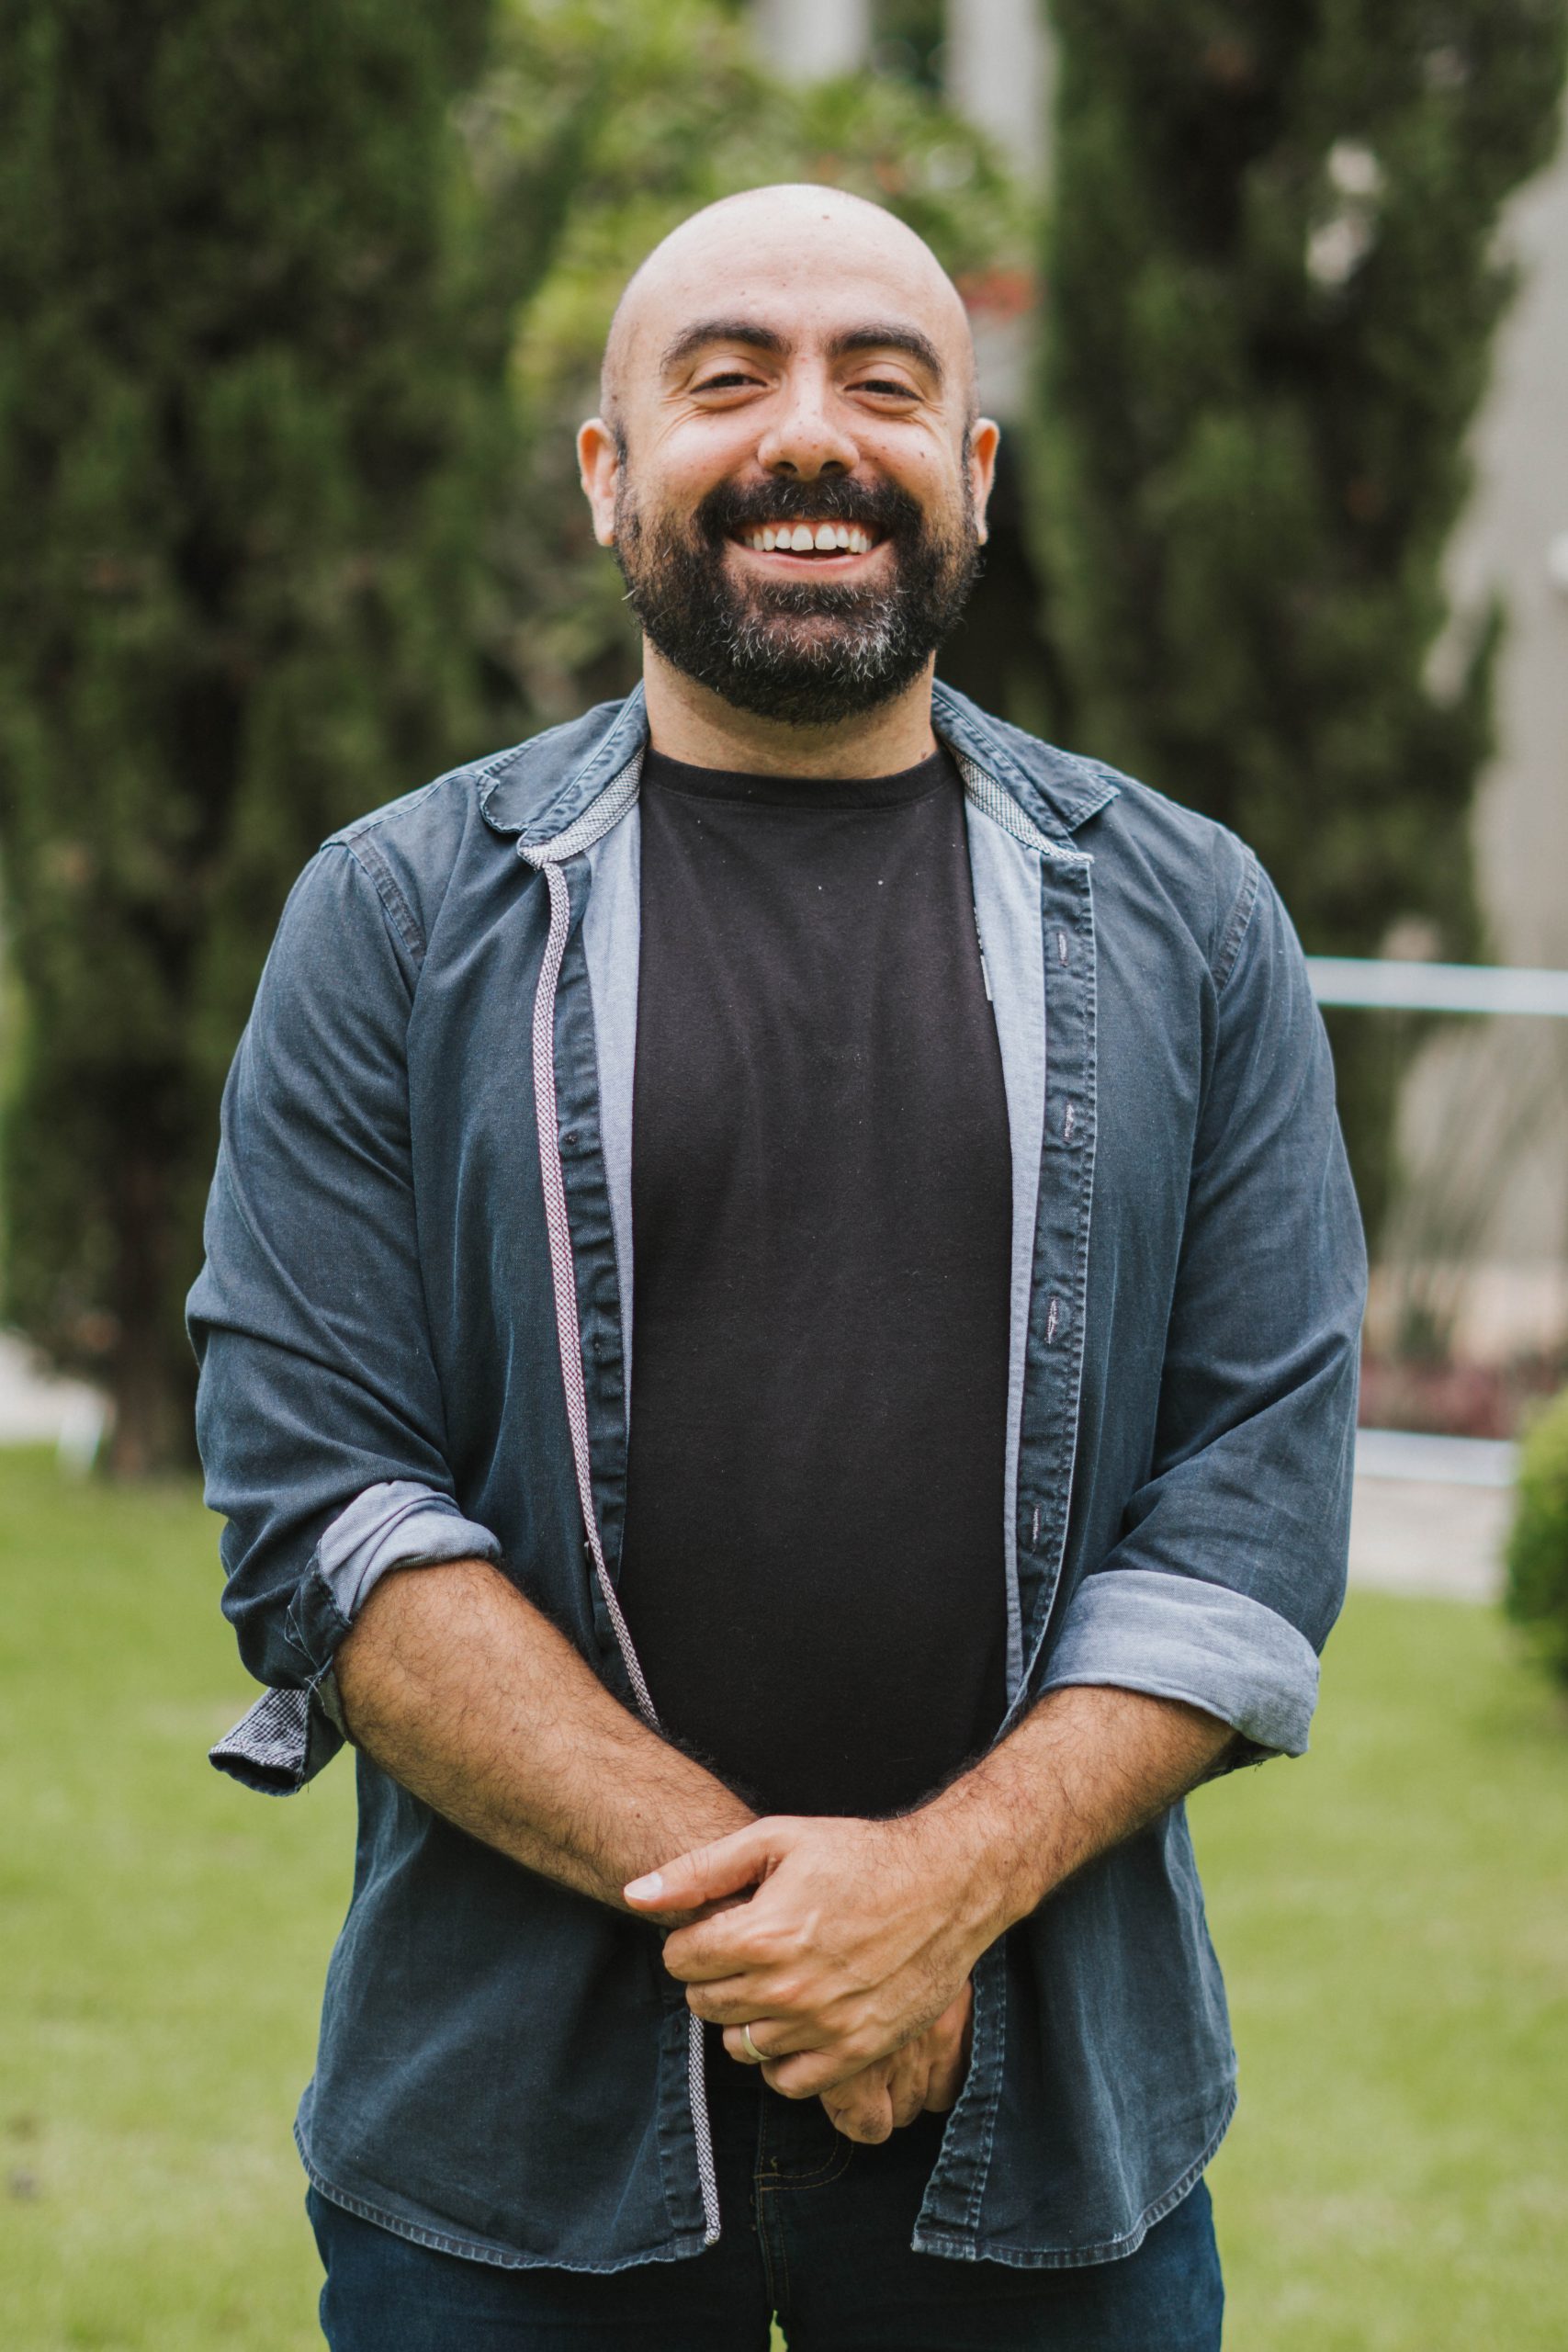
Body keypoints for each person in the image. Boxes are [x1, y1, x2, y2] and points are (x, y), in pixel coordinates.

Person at [190, 184, 1366, 2350]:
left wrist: (934, 1895)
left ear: (972, 475)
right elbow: (320, 1507)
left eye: (883, 386)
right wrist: (801, 1927)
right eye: (726, 378)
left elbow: (1251, 1507)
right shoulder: (395, 916)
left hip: (1051, 2144)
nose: (808, 433)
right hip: (506, 2153)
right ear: (606, 469)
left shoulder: (1194, 924)